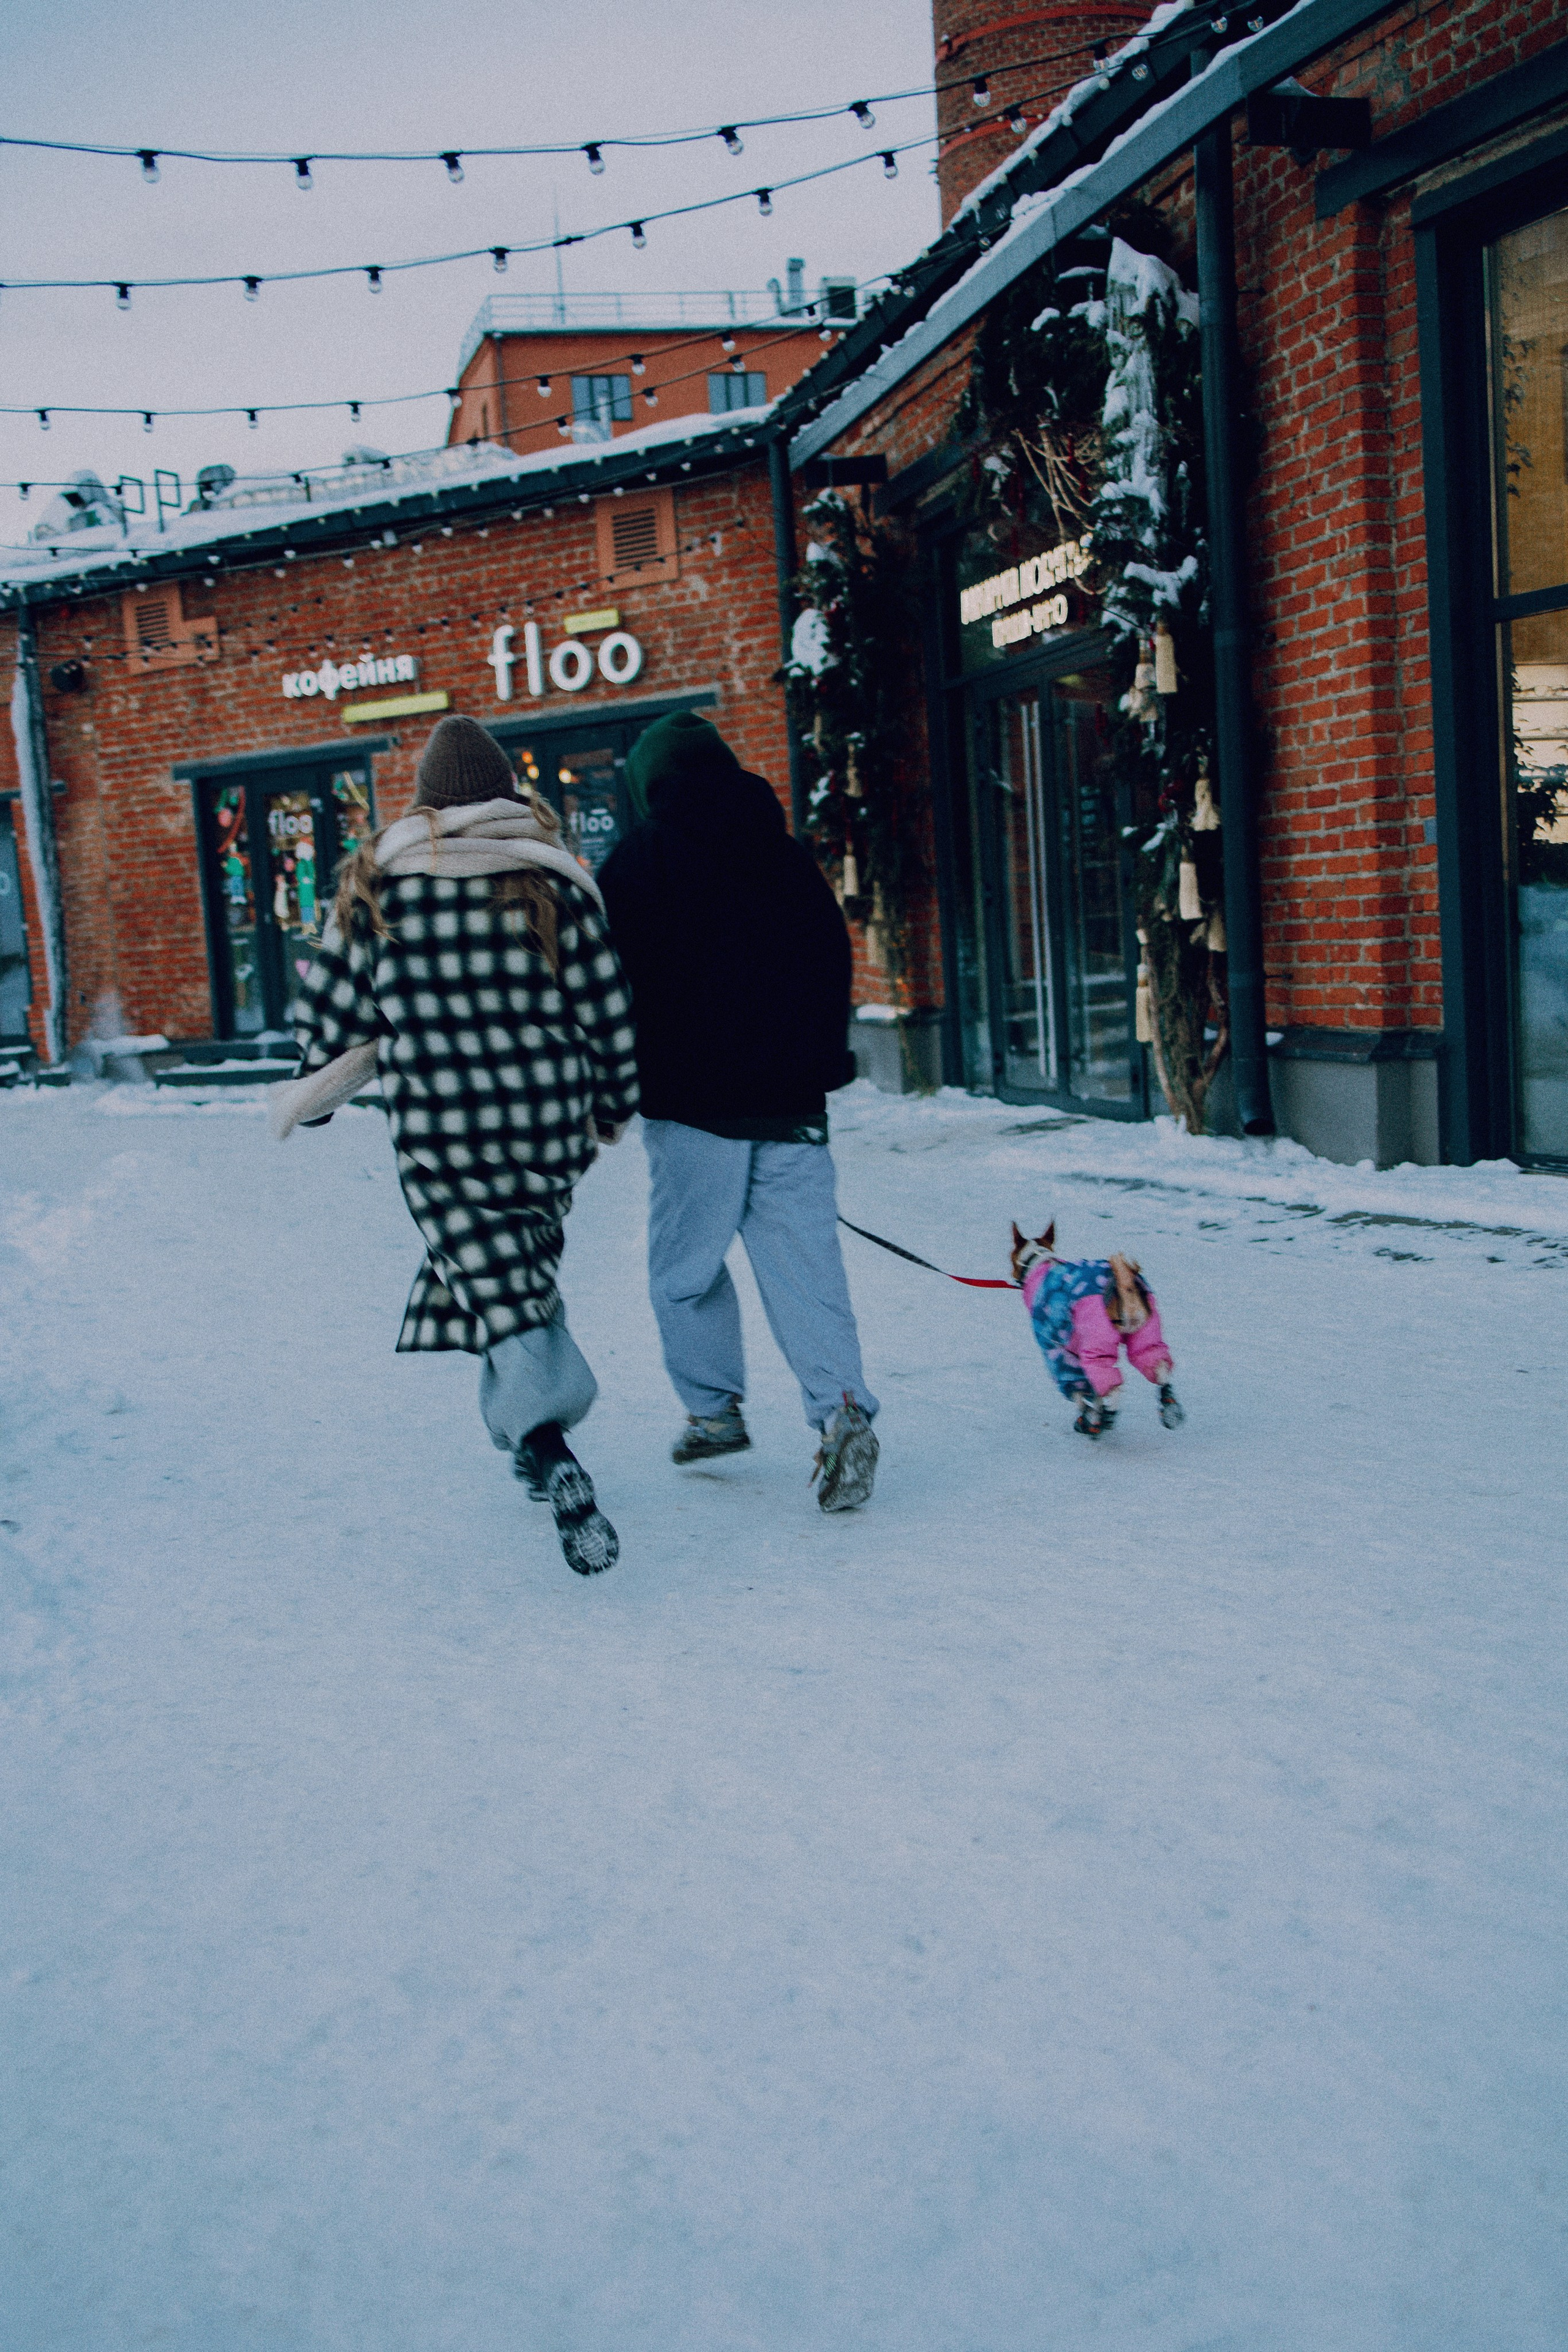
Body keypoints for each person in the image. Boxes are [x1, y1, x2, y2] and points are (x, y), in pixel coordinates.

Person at [271, 714, 639, 1575]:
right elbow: (608, 1009)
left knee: (490, 1273)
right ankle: (526, 1441)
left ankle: (548, 1443)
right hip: (545, 1120)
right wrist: (614, 1102)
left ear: (427, 799)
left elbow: (329, 1006)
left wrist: (313, 1087)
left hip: (442, 1129)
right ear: (509, 792)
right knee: (516, 1268)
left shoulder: (382, 883)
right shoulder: (553, 882)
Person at [598, 709, 878, 1511]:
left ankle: (714, 1412)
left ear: (652, 783)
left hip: (695, 1114)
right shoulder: (789, 859)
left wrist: (611, 1090)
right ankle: (844, 1414)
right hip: (791, 1108)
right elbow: (831, 958)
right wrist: (816, 1065)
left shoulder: (640, 863)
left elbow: (611, 993)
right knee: (806, 1273)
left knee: (683, 1274)